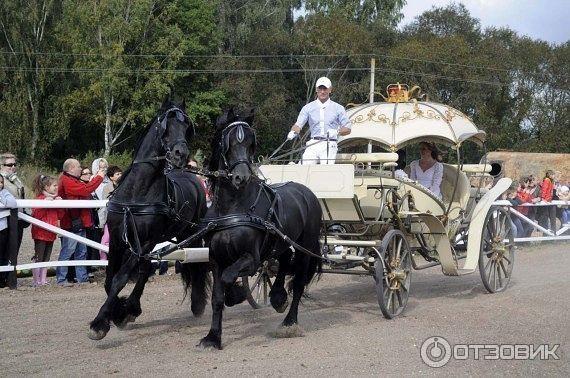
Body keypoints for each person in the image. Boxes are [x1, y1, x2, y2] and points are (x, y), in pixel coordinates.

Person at [57, 158, 104, 285]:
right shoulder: (67, 181)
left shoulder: (71, 180)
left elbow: (85, 189)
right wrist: (99, 177)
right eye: (78, 167)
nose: (80, 169)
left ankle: (81, 278)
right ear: (71, 168)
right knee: (68, 251)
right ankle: (62, 279)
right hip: (72, 222)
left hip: (78, 222)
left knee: (81, 251)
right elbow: (85, 190)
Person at [287, 76, 351, 165]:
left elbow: (347, 128)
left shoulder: (338, 108)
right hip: (313, 143)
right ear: (316, 89)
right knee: (304, 167)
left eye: (325, 89)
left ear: (330, 90)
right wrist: (293, 132)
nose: (322, 91)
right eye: (320, 88)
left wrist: (337, 132)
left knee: (326, 171)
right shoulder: (308, 108)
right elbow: (298, 125)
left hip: (330, 143)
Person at [30, 175, 65, 287]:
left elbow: (60, 215)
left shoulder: (55, 199)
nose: (56, 187)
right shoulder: (39, 199)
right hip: (40, 233)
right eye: (54, 185)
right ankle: (36, 279)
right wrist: (45, 204)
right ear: (46, 187)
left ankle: (43, 279)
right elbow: (36, 215)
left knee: (47, 257)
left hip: (51, 232)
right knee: (39, 256)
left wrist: (60, 205)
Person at [0, 152, 28, 251]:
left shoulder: (16, 179)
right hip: (6, 220)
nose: (12, 167)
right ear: (1, 166)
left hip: (18, 219)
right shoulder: (1, 180)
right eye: (9, 165)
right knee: (5, 251)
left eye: (14, 164)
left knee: (14, 250)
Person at [99, 165, 122, 260]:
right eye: (117, 174)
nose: (120, 175)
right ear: (111, 177)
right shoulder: (107, 188)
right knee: (106, 239)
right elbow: (106, 202)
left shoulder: (125, 186)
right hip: (111, 217)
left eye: (121, 173)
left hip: (123, 217)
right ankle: (103, 259)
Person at [0, 175, 17, 288]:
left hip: (2, 228)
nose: (0, 185)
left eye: (1, 182)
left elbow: (12, 203)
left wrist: (1, 198)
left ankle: (1, 280)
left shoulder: (4, 192)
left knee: (2, 255)